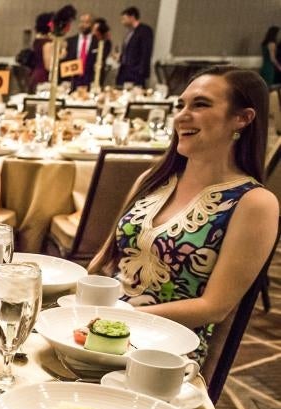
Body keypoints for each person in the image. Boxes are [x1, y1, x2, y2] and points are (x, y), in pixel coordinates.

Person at [89, 68, 278, 364]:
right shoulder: (152, 180)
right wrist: (80, 307)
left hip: (165, 351)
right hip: (99, 327)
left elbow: (213, 307)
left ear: (242, 118)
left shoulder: (254, 203)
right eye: (181, 105)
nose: (181, 116)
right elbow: (104, 259)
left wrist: (121, 318)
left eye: (200, 105)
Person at [116, 6, 153, 88]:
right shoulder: (129, 33)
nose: (122, 22)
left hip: (136, 72)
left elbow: (146, 52)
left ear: (132, 17)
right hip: (125, 71)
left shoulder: (144, 30)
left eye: (124, 19)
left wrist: (141, 71)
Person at [65, 14, 97, 88]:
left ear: (92, 25)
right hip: (73, 79)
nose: (83, 25)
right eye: (81, 22)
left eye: (86, 22)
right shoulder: (70, 41)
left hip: (90, 80)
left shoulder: (97, 42)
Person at [29, 13, 53, 91]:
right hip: (42, 77)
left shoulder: (37, 41)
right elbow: (48, 66)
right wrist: (61, 55)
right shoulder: (47, 43)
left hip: (35, 74)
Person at [89, 19, 113, 89]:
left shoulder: (107, 43)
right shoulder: (91, 40)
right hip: (88, 70)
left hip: (99, 70)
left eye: (96, 29)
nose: (94, 31)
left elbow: (104, 55)